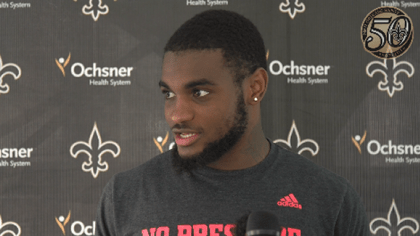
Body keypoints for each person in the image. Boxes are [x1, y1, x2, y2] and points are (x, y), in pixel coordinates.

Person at [95, 9, 369, 236]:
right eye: (169, 94)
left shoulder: (330, 199)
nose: (177, 115)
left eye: (199, 93)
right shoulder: (123, 196)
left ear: (255, 87)